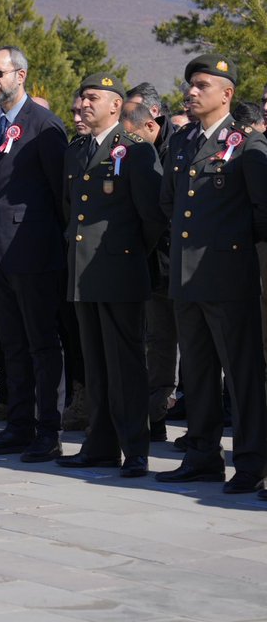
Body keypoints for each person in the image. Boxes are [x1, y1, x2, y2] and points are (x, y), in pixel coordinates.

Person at [156, 55, 267, 495]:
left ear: (227, 93)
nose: (192, 91)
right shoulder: (182, 141)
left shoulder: (246, 144)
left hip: (228, 275)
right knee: (198, 372)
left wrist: (229, 246)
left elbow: (262, 211)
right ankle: (202, 456)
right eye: (190, 84)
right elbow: (168, 201)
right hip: (186, 276)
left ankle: (252, 461)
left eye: (203, 84)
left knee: (241, 374)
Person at [57, 73, 166, 478]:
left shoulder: (135, 151)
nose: (83, 104)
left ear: (115, 105)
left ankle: (135, 448)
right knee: (96, 363)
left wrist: (129, 255)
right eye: (81, 97)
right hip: (83, 274)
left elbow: (152, 217)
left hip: (120, 270)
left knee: (126, 365)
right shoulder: (77, 150)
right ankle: (100, 444)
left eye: (92, 98)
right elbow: (70, 211)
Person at [0, 46, 69, 462]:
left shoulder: (44, 125)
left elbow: (59, 194)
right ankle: (18, 424)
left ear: (21, 75)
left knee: (42, 345)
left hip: (34, 252)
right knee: (10, 344)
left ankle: (49, 430)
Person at [121, 98, 179, 440]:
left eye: (133, 137)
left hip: (179, 263)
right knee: (158, 341)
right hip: (155, 265)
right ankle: (156, 417)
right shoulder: (146, 149)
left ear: (150, 126)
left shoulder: (176, 148)